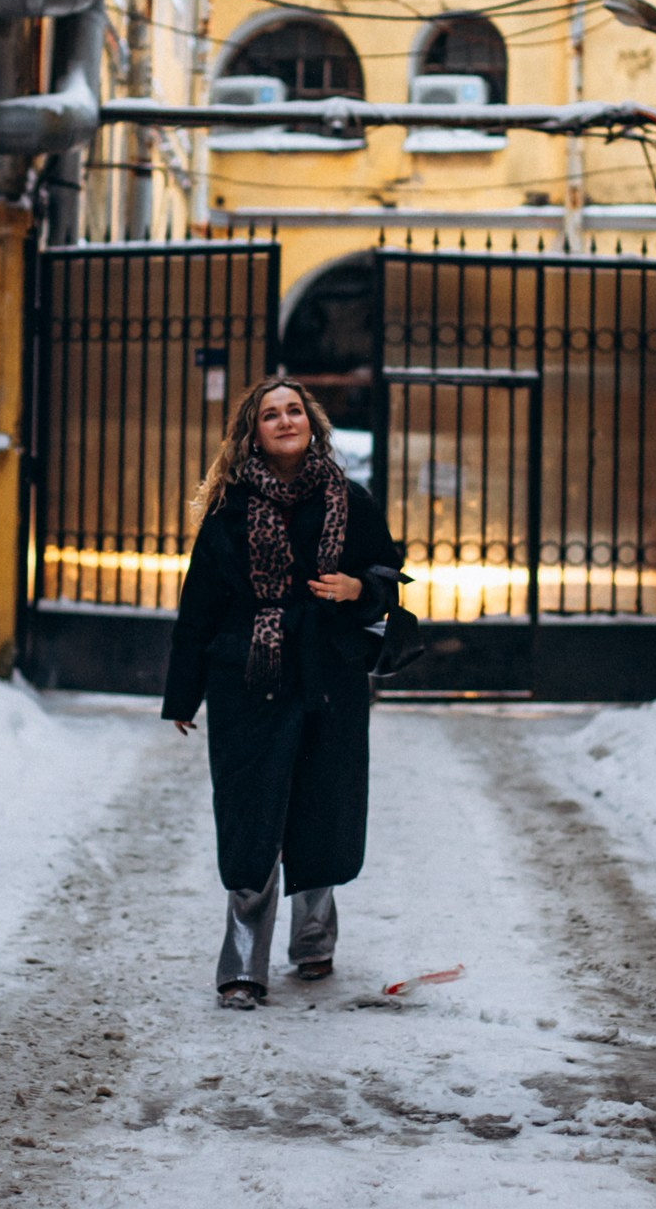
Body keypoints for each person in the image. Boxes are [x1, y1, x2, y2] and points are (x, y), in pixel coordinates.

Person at [162, 376, 401, 1010]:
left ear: (312, 424)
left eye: (295, 410)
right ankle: (243, 961)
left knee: (324, 808)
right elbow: (199, 606)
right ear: (254, 433)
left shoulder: (351, 499)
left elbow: (387, 572)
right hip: (249, 678)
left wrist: (358, 589)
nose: (286, 420)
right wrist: (183, 695)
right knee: (251, 815)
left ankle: (314, 938)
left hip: (329, 675)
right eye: (271, 414)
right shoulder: (229, 509)